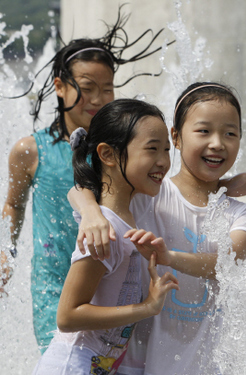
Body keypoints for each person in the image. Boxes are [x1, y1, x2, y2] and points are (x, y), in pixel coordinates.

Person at [0, 11, 173, 352]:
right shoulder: (30, 151)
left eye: (107, 89)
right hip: (54, 284)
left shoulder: (113, 152)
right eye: (87, 88)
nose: (97, 99)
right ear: (60, 87)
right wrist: (6, 252)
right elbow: (14, 204)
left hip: (107, 277)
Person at [69, 82, 246, 374]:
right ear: (176, 137)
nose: (217, 143)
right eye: (204, 130)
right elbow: (86, 186)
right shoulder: (153, 193)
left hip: (201, 365)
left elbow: (229, 259)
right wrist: (90, 212)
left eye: (230, 133)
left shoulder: (242, 212)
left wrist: (169, 257)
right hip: (134, 363)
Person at [33, 99, 180, 374]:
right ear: (108, 155)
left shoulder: (125, 216)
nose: (163, 161)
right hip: (69, 366)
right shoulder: (103, 232)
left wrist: (229, 185)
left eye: (166, 150)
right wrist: (146, 307)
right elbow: (67, 315)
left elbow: (78, 189)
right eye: (152, 149)